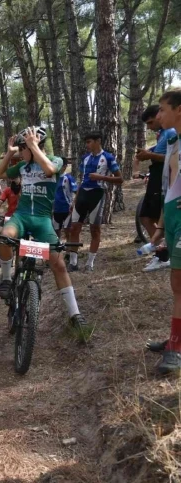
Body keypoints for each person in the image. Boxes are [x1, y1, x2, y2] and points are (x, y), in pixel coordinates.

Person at [0, 127, 88, 333]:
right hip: (21, 217)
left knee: (59, 264)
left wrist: (33, 146)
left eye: (22, 148)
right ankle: (7, 279)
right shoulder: (22, 166)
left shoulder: (55, 160)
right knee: (5, 237)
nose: (21, 152)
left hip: (42, 220)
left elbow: (49, 171)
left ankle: (75, 314)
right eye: (20, 148)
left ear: (34, 145)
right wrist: (10, 152)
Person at [145, 88, 181, 374]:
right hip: (172, 217)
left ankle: (177, 348)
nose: (158, 115)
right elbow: (171, 186)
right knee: (177, 286)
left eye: (162, 109)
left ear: (178, 109)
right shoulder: (174, 140)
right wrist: (160, 224)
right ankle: (175, 339)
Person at [67, 131, 123, 272]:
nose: (87, 145)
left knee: (95, 229)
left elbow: (120, 179)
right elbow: (81, 180)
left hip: (97, 195)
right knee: (74, 228)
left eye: (89, 142)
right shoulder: (85, 158)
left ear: (98, 141)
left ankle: (90, 264)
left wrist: (101, 177)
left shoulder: (108, 157)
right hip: (82, 194)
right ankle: (73, 262)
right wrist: (75, 199)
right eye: (86, 142)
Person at [135, 104, 176, 272]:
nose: (150, 127)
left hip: (163, 176)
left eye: (151, 122)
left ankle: (164, 254)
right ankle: (162, 252)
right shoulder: (163, 134)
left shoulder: (171, 133)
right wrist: (147, 154)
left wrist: (150, 155)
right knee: (146, 216)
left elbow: (171, 159)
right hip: (158, 176)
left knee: (151, 216)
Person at [0, 175, 21, 261]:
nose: (14, 181)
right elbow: (0, 201)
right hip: (9, 217)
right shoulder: (7, 190)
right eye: (12, 180)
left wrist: (19, 193)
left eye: (16, 179)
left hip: (22, 219)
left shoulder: (25, 191)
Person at [52, 161, 77, 241]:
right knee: (56, 230)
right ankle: (57, 248)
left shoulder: (69, 178)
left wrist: (73, 204)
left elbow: (76, 191)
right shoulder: (53, 178)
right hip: (56, 208)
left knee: (67, 230)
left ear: (65, 166)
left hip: (67, 208)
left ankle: (68, 250)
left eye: (60, 165)